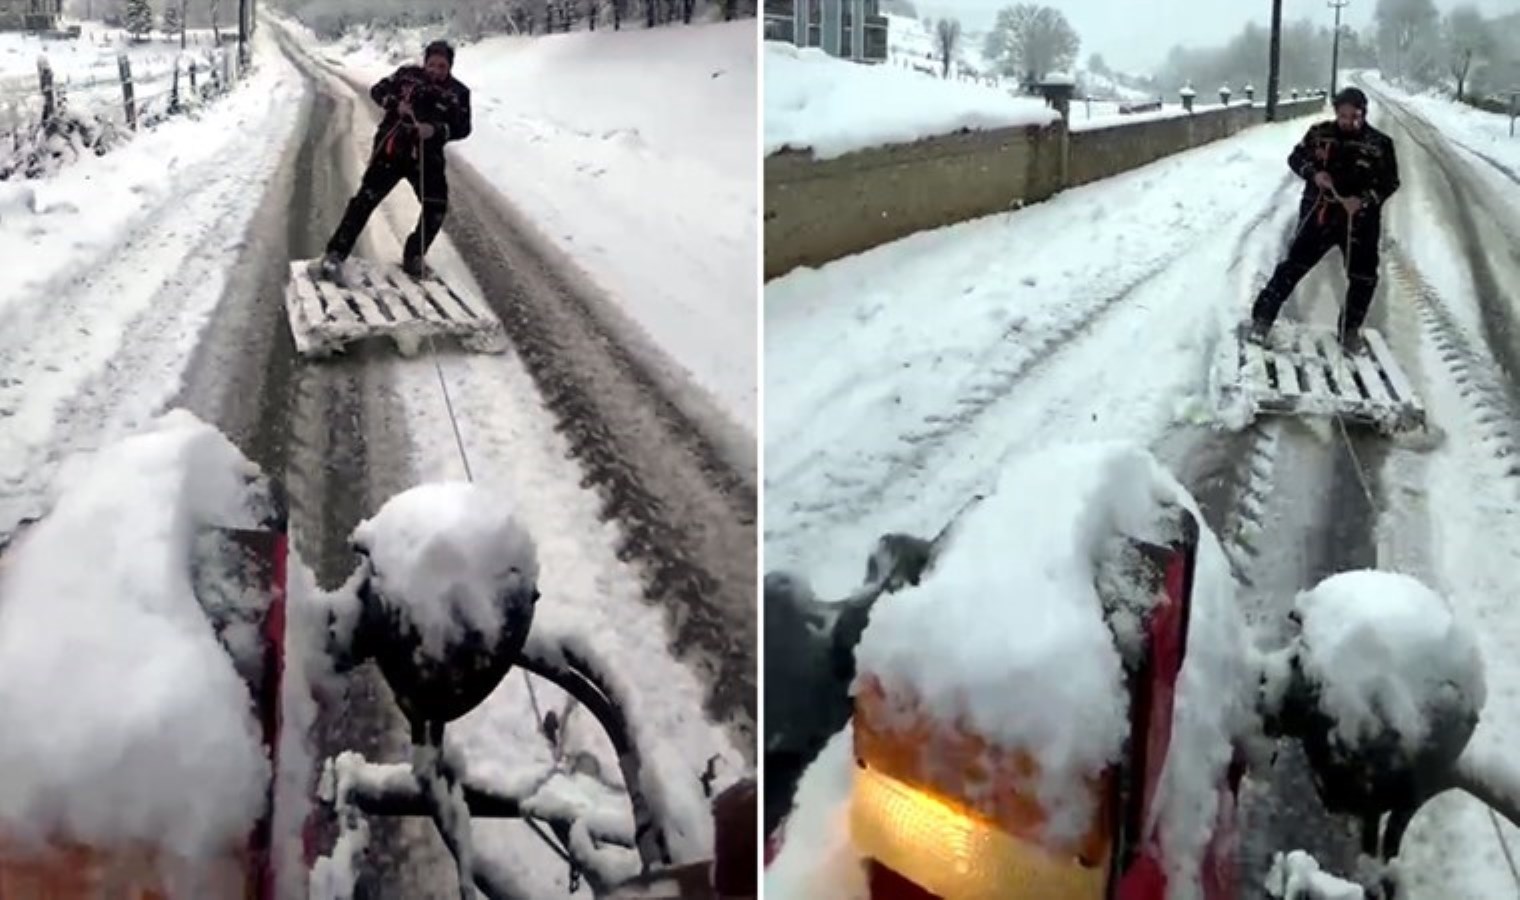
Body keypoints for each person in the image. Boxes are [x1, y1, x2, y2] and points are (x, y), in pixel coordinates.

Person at [1248, 87, 1399, 353]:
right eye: (1343, 115)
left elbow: (1390, 182)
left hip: (1360, 222)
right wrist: (1314, 174)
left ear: (1364, 113)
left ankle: (1349, 330)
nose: (1349, 121)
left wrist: (1363, 201)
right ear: (1336, 112)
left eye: (1355, 116)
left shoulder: (1380, 144)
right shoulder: (1319, 134)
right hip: (1321, 215)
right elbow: (1295, 158)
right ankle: (1262, 319)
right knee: (1292, 267)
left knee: (1364, 278)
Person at [320, 39, 472, 281]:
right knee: (364, 201)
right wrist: (394, 104)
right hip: (391, 150)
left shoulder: (458, 93)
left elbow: (463, 128)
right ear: (425, 62)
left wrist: (436, 130)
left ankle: (414, 256)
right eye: (431, 64)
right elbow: (377, 91)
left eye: (441, 66)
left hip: (426, 158)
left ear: (449, 67)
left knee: (436, 206)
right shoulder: (407, 76)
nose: (435, 70)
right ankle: (335, 254)